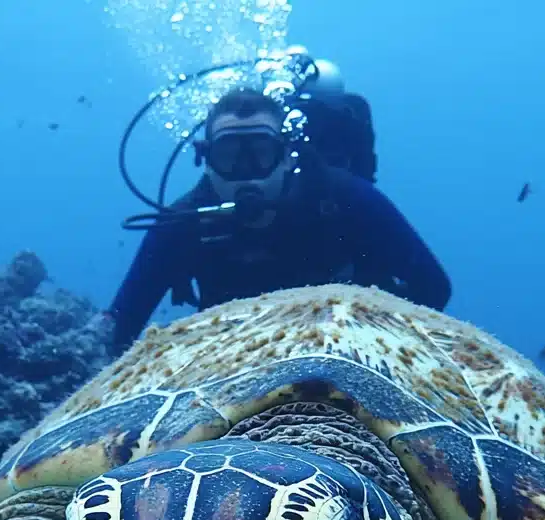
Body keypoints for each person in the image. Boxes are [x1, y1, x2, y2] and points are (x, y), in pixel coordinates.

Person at [99, 75, 452, 356]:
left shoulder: (345, 199)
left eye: (260, 152)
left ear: (286, 155)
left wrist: (373, 336)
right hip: (231, 365)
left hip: (351, 353)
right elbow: (118, 328)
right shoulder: (182, 225)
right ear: (206, 161)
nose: (246, 170)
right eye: (230, 155)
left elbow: (434, 288)